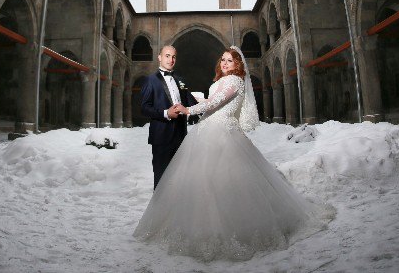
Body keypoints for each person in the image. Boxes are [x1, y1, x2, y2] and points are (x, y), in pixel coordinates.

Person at [134, 46, 333, 262]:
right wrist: (196, 102)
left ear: (238, 64)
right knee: (198, 182)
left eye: (230, 60)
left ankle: (229, 228)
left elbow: (217, 102)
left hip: (222, 132)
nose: (225, 63)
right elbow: (211, 103)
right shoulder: (218, 80)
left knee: (224, 181)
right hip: (204, 129)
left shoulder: (235, 81)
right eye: (223, 59)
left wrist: (188, 110)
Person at [140, 45, 198, 189]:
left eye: (173, 57)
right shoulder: (150, 80)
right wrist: (166, 113)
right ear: (159, 57)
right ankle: (160, 210)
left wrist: (211, 103)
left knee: (180, 178)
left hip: (180, 135)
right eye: (167, 56)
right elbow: (144, 108)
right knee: (161, 180)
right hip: (161, 137)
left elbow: (190, 100)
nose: (171, 60)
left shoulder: (180, 80)